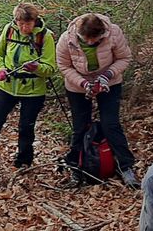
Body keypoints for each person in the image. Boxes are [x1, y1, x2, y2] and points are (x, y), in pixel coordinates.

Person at [57, 12, 138, 187]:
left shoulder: (113, 33)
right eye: (86, 39)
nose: (90, 43)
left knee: (111, 124)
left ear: (101, 33)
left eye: (94, 39)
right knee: (80, 126)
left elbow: (124, 58)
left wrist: (107, 75)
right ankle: (76, 167)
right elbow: (64, 65)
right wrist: (84, 83)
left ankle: (125, 166)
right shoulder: (67, 39)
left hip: (110, 81)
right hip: (77, 85)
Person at [0, 3, 56, 170]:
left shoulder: (45, 36)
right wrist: (0, 69)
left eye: (28, 24)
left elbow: (50, 68)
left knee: (26, 126)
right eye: (20, 23)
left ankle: (23, 161)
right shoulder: (9, 30)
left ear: (35, 20)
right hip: (7, 85)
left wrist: (37, 68)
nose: (24, 27)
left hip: (34, 90)